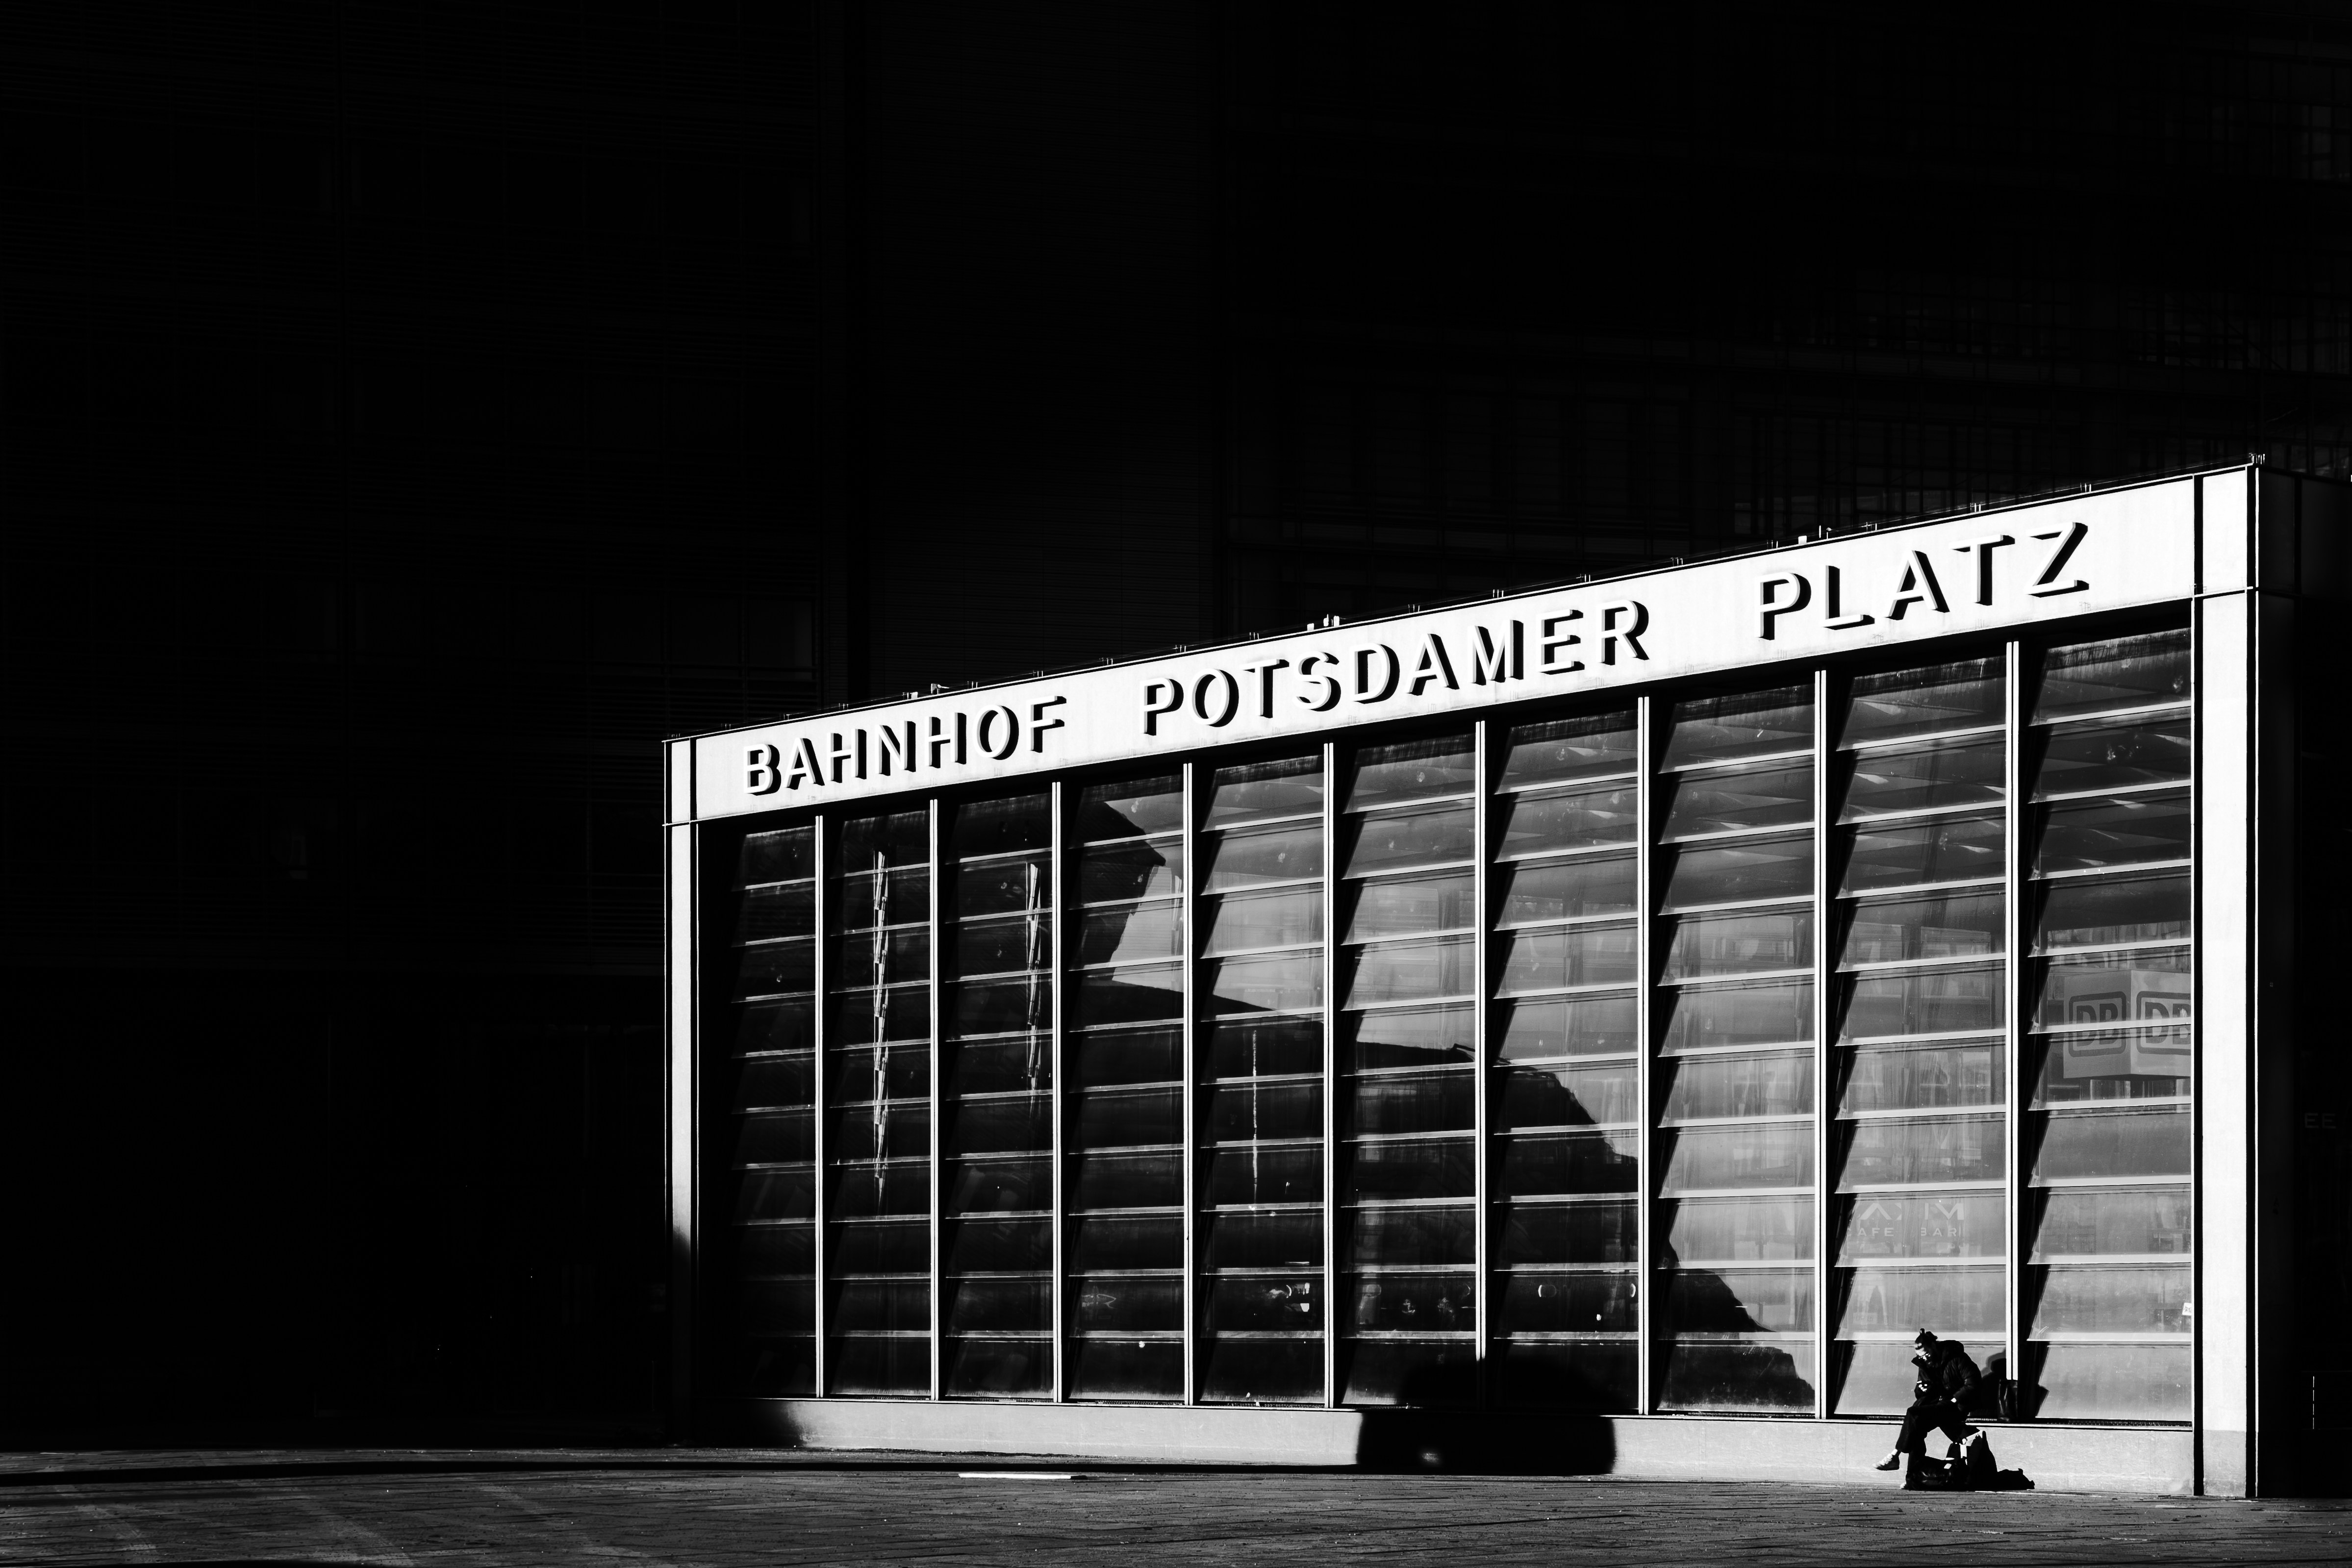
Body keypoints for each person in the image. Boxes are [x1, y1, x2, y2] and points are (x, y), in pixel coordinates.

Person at [1872, 1329, 1983, 1473]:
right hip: (1937, 1405)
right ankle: (1912, 1478)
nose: (1924, 1358)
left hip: (1956, 1406)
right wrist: (1923, 1389)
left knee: (1913, 1414)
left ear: (1934, 1346)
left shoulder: (1957, 1358)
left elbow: (1973, 1384)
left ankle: (1895, 1455)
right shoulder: (1925, 1364)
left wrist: (1955, 1400)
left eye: (1927, 1354)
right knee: (1916, 1430)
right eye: (1921, 1356)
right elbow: (1920, 1394)